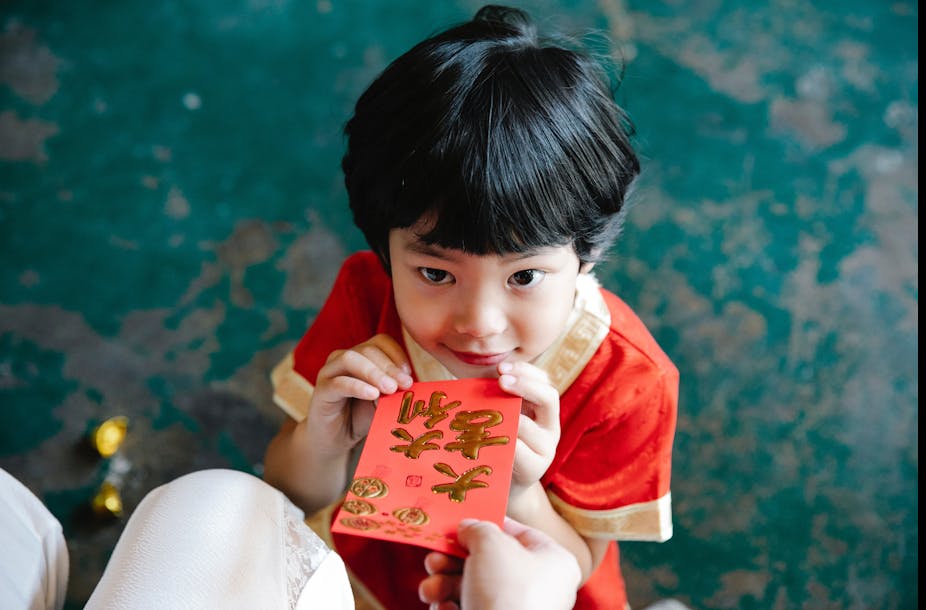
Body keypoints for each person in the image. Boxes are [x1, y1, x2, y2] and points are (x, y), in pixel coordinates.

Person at [263, 4, 679, 609]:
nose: (479, 324)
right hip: (369, 578)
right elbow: (288, 492)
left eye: (526, 275)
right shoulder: (366, 298)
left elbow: (579, 559)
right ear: (384, 249)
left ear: (587, 256)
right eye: (435, 272)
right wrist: (322, 440)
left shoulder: (628, 381)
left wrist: (518, 492)